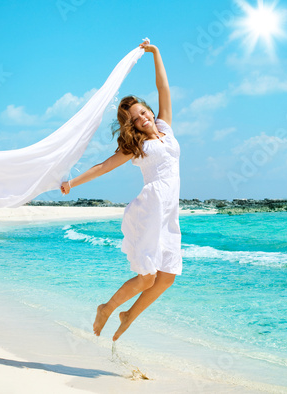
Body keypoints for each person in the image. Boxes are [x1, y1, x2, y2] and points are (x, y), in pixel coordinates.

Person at [60, 40, 182, 341]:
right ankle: (107, 307)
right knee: (147, 277)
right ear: (132, 125)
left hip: (170, 211)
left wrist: (156, 53)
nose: (143, 118)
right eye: (136, 118)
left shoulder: (166, 129)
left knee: (167, 277)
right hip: (152, 207)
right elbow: (104, 166)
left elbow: (164, 88)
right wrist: (72, 183)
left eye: (144, 112)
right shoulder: (136, 147)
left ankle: (128, 315)